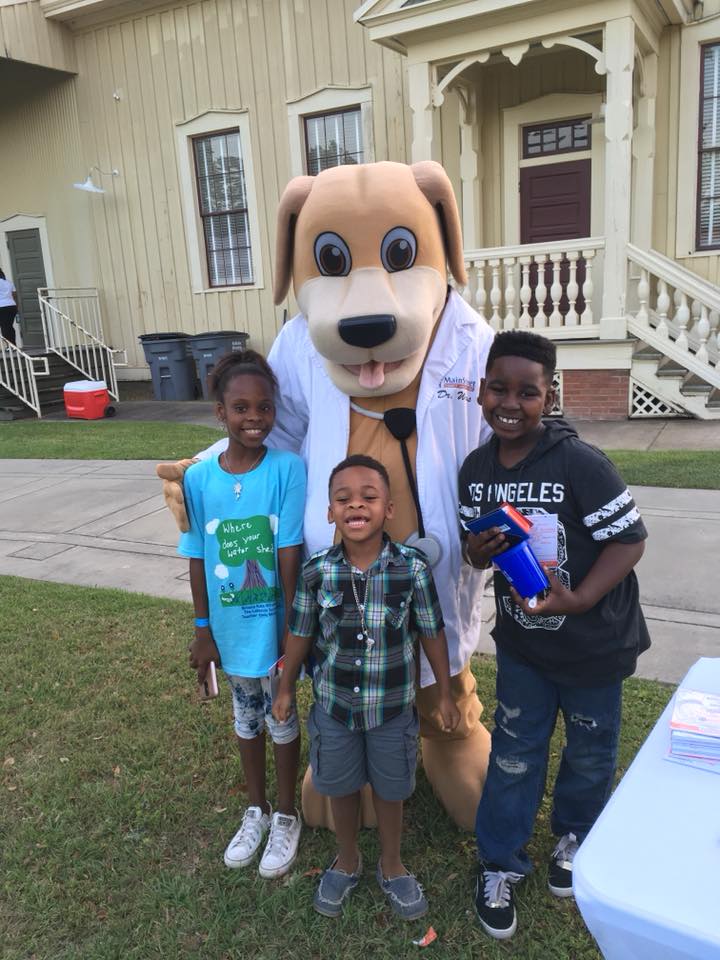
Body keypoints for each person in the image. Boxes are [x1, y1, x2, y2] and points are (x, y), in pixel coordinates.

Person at [458, 330, 650, 940]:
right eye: (498, 388)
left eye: (527, 391)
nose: (510, 402)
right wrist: (474, 549)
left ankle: (575, 838)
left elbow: (630, 539)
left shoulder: (580, 463)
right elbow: (473, 554)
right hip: (525, 647)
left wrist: (583, 596)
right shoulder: (476, 470)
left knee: (590, 753)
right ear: (481, 390)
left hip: (594, 645)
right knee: (513, 755)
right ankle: (499, 863)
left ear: (551, 395)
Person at [273, 454, 460, 919]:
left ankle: (392, 864)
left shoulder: (412, 569)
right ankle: (348, 858)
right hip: (333, 707)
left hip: (391, 710)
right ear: (329, 512)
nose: (356, 506)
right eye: (343, 499)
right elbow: (300, 632)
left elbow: (432, 630)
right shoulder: (318, 572)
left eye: (369, 497)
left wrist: (445, 693)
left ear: (389, 509)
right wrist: (284, 689)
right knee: (337, 784)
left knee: (391, 788)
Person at [178, 350, 307, 879]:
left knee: (282, 716)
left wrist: (291, 635)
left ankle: (286, 813)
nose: (254, 418)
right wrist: (203, 631)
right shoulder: (199, 479)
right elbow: (195, 555)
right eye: (241, 407)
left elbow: (289, 555)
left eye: (265, 407)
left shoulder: (287, 470)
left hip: (274, 630)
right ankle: (254, 809)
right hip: (228, 632)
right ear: (220, 412)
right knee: (245, 717)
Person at [0, 268, 18, 345]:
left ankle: (10, 346)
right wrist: (17, 307)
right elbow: (14, 295)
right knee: (9, 326)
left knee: (4, 326)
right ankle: (13, 345)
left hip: (2, 307)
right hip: (12, 306)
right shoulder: (9, 282)